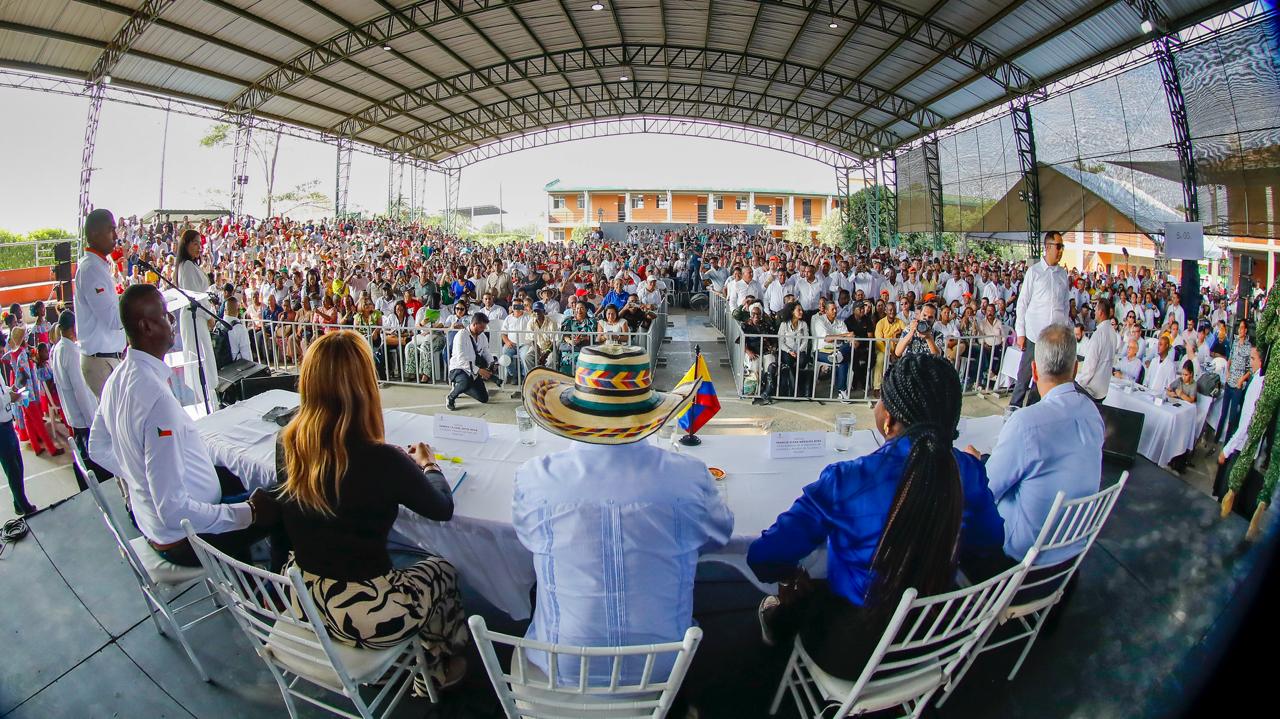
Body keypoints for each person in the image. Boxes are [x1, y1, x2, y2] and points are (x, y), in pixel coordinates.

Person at [748, 353, 1003, 679]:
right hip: (933, 640)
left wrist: (792, 575)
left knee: (781, 607)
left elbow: (763, 556)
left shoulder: (847, 480)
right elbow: (991, 541)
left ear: (888, 421)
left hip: (856, 651)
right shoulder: (967, 470)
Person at [515, 343, 732, 684]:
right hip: (663, 668)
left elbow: (526, 539)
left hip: (561, 666)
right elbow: (720, 534)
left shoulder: (535, 477)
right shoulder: (690, 476)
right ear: (650, 412)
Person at [275, 331, 467, 695]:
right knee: (442, 569)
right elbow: (441, 509)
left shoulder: (288, 443)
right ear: (363, 387)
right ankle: (436, 670)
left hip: (304, 599)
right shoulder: (383, 459)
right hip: (367, 615)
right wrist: (428, 464)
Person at [88, 284, 279, 567]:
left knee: (246, 475)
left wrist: (138, 476)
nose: (172, 322)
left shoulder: (118, 378)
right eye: (166, 316)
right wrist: (248, 513)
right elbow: (173, 510)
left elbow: (97, 447)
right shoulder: (156, 402)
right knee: (284, 506)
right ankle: (273, 596)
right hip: (187, 539)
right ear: (146, 326)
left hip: (160, 519)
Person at [962, 324, 1103, 611]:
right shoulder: (1092, 413)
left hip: (1021, 562)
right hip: (1069, 557)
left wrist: (977, 466)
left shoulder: (1027, 422)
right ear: (1075, 369)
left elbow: (988, 490)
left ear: (1035, 371)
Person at [50, 311, 111, 490]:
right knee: (93, 459)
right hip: (83, 417)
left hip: (74, 415)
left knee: (83, 453)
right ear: (73, 328)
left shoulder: (59, 348)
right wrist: (93, 420)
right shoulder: (70, 352)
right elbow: (81, 391)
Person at [1011, 232, 1070, 408]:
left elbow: (1065, 306)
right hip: (1035, 336)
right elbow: (1022, 303)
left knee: (1043, 379)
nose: (1060, 251)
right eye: (1058, 246)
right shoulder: (1034, 272)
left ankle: (1032, 410)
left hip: (1054, 338)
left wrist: (1064, 330)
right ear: (1048, 247)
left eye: (1062, 247)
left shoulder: (1062, 274)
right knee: (1025, 376)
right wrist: (1020, 333)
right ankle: (1014, 408)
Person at [74, 208, 127, 399]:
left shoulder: (99, 266)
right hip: (100, 361)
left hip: (107, 358)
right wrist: (137, 309)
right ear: (95, 234)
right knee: (116, 423)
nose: (115, 235)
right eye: (111, 230)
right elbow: (113, 319)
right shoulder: (90, 269)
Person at [175, 229, 221, 411]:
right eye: (195, 243)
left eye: (200, 243)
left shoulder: (191, 266)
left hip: (199, 317)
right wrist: (209, 316)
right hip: (194, 316)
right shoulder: (186, 267)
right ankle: (205, 402)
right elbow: (194, 296)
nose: (198, 247)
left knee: (205, 356)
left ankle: (210, 400)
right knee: (200, 357)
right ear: (185, 245)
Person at [1215, 346, 1264, 500]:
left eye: (1253, 359)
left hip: (1242, 445)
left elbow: (1247, 422)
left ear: (1261, 361)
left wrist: (1227, 449)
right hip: (1245, 444)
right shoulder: (1257, 379)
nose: (1250, 363)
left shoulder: (1258, 383)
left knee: (1228, 488)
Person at [446, 312, 496, 411]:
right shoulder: (461, 336)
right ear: (474, 324)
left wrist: (492, 363)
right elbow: (461, 360)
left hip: (473, 370)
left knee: (484, 398)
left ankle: (461, 387)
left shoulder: (482, 336)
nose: (483, 330)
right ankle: (451, 397)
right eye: (482, 327)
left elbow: (486, 351)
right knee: (465, 381)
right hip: (458, 369)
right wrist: (479, 371)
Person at [1, 367, 34, 516]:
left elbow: (3, 390)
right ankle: (24, 506)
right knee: (12, 468)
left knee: (18, 465)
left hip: (7, 424)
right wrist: (11, 397)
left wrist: (13, 388)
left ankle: (18, 503)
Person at [1215, 319, 1254, 445]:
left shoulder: (1248, 347)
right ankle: (1217, 438)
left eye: (1242, 328)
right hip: (1229, 381)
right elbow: (1230, 358)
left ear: (1246, 330)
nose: (1240, 330)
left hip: (1238, 385)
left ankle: (1227, 442)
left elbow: (1250, 370)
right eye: (1239, 328)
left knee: (1232, 417)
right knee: (1223, 412)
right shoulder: (1235, 342)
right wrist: (1227, 372)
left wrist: (1242, 379)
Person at [1077, 297, 1119, 401]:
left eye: (1095, 310)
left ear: (1100, 312)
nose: (1094, 312)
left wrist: (1080, 385)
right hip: (1104, 388)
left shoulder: (1098, 335)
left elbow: (1090, 365)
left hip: (1091, 390)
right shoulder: (1113, 333)